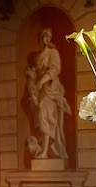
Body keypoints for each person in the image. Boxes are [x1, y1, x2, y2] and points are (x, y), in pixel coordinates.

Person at [25, 28, 71, 159]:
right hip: (39, 91)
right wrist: (32, 80)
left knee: (46, 117)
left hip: (50, 88)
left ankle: (45, 151)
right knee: (40, 118)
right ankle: (45, 149)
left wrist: (41, 81)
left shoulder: (53, 52)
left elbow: (55, 69)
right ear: (40, 38)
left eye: (49, 36)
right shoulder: (37, 57)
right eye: (45, 36)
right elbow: (33, 73)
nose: (47, 38)